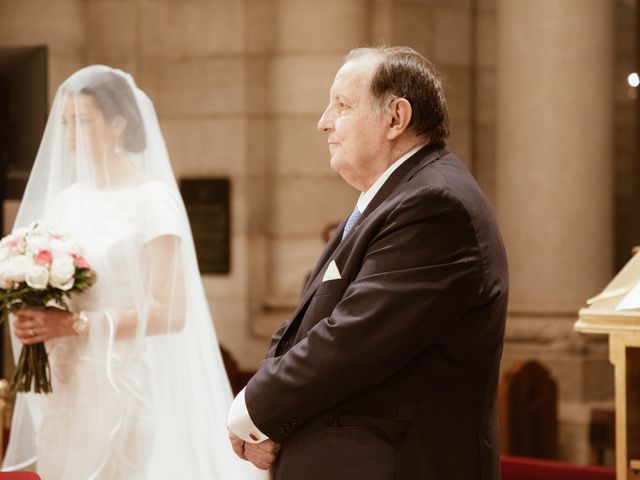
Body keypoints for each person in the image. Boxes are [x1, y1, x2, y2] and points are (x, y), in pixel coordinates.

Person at [228, 46, 509, 479]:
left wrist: (252, 410)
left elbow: (352, 338)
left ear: (396, 118)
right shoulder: (392, 198)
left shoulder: (434, 204)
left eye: (341, 105)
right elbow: (311, 321)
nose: (324, 121)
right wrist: (262, 411)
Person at [2, 65, 266, 480]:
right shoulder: (67, 202)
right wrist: (35, 318)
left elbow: (170, 313)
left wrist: (73, 324)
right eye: (66, 123)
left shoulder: (152, 201)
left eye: (83, 122)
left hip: (121, 383)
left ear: (118, 124)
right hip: (66, 384)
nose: (70, 136)